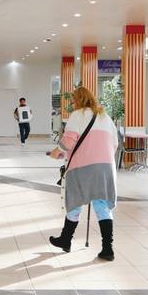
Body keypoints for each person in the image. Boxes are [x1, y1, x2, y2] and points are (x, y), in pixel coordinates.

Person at [47, 85, 118, 261]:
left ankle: (66, 239)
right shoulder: (105, 117)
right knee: (102, 205)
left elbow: (69, 141)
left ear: (78, 100)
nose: (73, 103)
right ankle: (107, 249)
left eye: (73, 99)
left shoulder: (77, 115)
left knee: (75, 202)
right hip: (105, 166)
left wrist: (56, 152)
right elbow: (115, 143)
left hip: (82, 167)